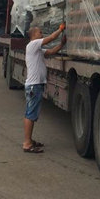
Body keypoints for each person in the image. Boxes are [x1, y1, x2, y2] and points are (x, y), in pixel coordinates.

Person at [22, 23, 66, 153]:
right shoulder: (33, 44)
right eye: (40, 32)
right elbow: (51, 38)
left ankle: (29, 140)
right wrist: (60, 29)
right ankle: (27, 143)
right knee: (30, 114)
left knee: (31, 113)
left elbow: (51, 52)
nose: (42, 34)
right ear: (34, 35)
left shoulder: (36, 49)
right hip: (34, 86)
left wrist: (62, 44)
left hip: (35, 85)